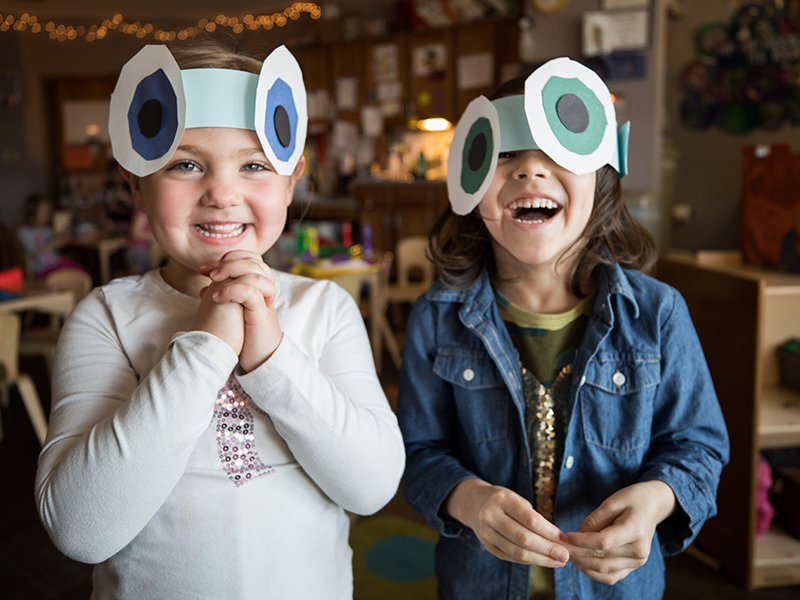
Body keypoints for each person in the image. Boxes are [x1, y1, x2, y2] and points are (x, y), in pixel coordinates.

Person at [35, 41, 405, 599]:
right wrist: (206, 347)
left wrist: (274, 357)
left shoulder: (325, 310)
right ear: (136, 181)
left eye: (254, 165)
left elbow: (372, 487)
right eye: (185, 164)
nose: (222, 193)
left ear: (292, 177)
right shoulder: (106, 317)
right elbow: (80, 530)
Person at [396, 57, 729, 600]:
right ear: (469, 180)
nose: (529, 171)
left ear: (601, 176)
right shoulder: (437, 318)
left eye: (557, 149)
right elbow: (417, 451)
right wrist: (468, 499)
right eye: (504, 154)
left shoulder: (659, 314)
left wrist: (656, 500)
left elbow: (698, 446)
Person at [16, 193, 85, 278]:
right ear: (32, 213)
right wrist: (53, 243)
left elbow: (54, 245)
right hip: (41, 269)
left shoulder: (45, 229)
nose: (47, 214)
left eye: (48, 211)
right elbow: (33, 250)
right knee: (73, 277)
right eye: (43, 211)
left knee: (82, 272)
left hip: (56, 262)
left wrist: (61, 240)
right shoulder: (23, 231)